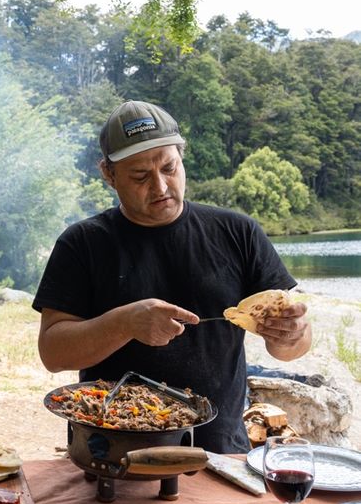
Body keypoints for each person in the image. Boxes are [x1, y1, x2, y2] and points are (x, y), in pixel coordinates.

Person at [33, 100, 311, 453]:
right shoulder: (82, 243)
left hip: (220, 451)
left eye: (169, 167)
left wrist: (292, 334)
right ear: (109, 174)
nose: (161, 186)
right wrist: (125, 324)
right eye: (140, 176)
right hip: (114, 447)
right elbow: (52, 353)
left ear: (182, 158)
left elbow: (292, 347)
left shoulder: (237, 232)